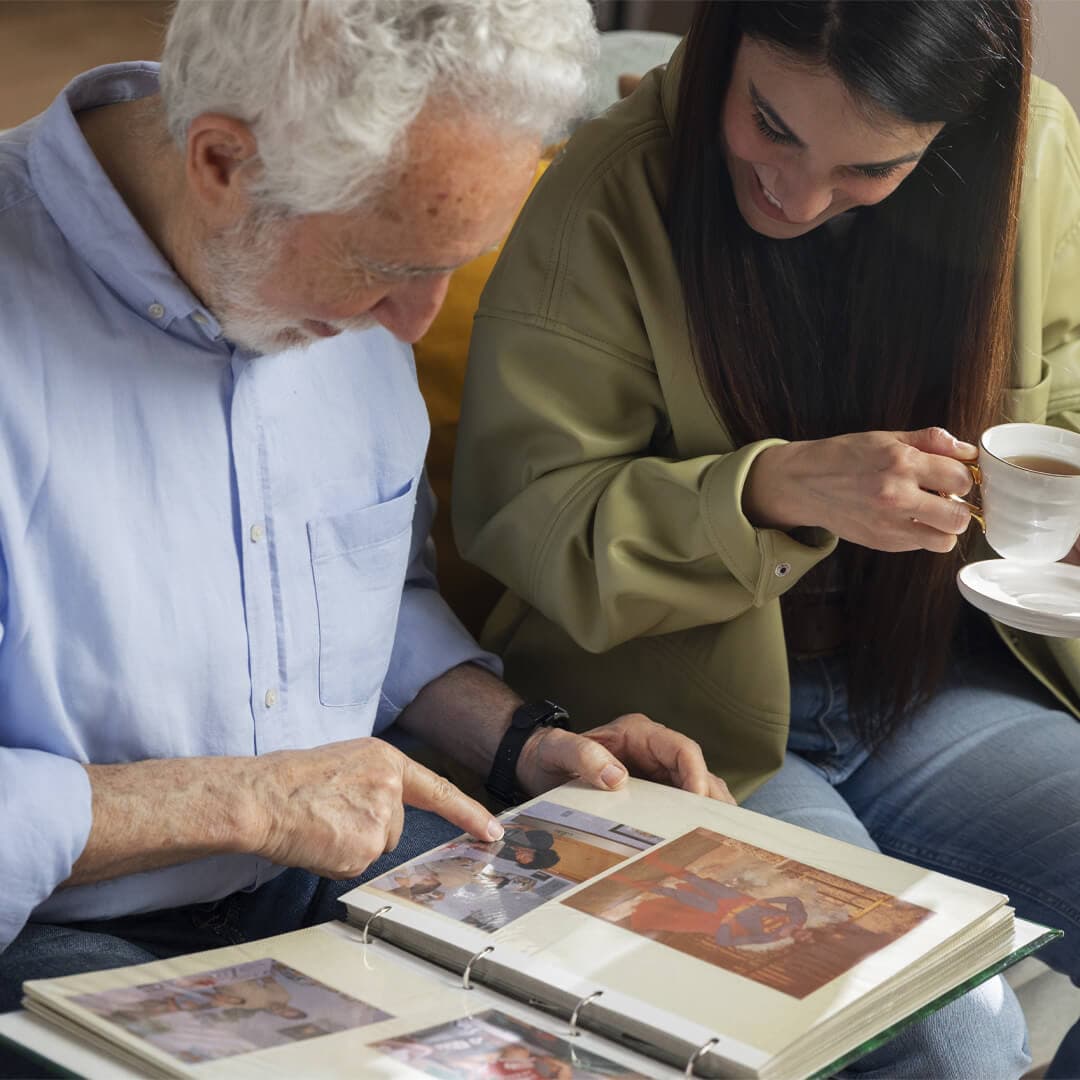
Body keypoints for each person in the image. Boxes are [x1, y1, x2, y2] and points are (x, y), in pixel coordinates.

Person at [0, 0, 737, 1035]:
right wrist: (247, 802)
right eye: (392, 267)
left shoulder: (325, 272)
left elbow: (370, 602)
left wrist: (523, 741)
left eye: (452, 263)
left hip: (341, 872)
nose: (417, 324)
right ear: (220, 162)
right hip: (49, 924)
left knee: (718, 1001)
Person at [453, 2, 1080, 1077]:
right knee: (954, 1039)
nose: (795, 194)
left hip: (934, 684)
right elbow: (525, 518)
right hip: (697, 730)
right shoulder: (609, 188)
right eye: (771, 125)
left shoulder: (1034, 155)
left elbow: (1061, 394)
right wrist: (770, 489)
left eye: (870, 169)